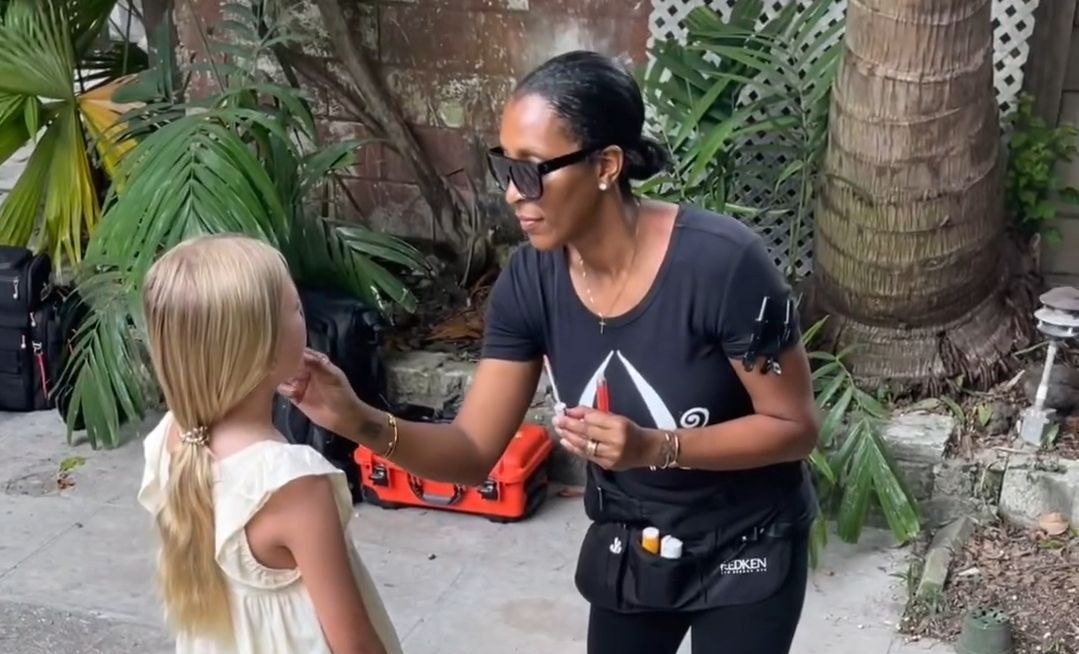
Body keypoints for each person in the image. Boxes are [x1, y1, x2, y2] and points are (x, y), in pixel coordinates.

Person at [279, 50, 820, 654]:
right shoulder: (529, 283)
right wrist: (359, 421)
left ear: (606, 166)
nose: (513, 194)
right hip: (632, 542)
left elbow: (793, 427)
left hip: (747, 544)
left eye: (533, 170)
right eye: (505, 167)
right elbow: (472, 452)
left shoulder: (721, 265)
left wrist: (657, 446)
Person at [136, 235, 401, 654]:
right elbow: (353, 643)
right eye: (296, 308)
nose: (305, 316)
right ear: (263, 346)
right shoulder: (291, 483)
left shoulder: (174, 437)